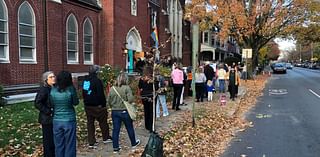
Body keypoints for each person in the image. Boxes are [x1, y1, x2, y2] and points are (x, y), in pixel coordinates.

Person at [108, 73, 140, 153]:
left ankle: (115, 148)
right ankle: (133, 143)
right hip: (125, 111)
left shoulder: (112, 88)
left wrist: (113, 106)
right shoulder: (127, 88)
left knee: (116, 130)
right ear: (125, 79)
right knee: (129, 127)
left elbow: (108, 100)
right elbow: (130, 99)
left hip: (115, 111)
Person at [50, 71, 79, 157]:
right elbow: (75, 102)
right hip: (69, 119)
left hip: (56, 120)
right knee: (70, 144)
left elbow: (52, 104)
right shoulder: (71, 89)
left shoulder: (53, 90)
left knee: (58, 144)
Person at [82, 65, 112, 149]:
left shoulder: (86, 81)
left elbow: (85, 92)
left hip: (88, 105)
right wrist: (103, 104)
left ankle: (91, 142)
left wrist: (86, 100)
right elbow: (100, 94)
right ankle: (106, 137)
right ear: (96, 72)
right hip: (98, 106)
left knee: (90, 123)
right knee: (103, 122)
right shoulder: (97, 81)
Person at [34, 71, 56, 157]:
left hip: (54, 118)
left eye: (54, 76)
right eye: (51, 77)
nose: (53, 78)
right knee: (48, 140)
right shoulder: (44, 89)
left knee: (53, 139)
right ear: (46, 79)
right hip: (46, 119)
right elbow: (37, 103)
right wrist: (48, 111)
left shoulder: (54, 88)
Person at [139, 66, 155, 132]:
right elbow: (155, 87)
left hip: (144, 95)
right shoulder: (152, 79)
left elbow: (140, 87)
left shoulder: (141, 79)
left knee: (146, 110)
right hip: (150, 95)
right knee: (151, 111)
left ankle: (146, 125)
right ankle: (151, 126)